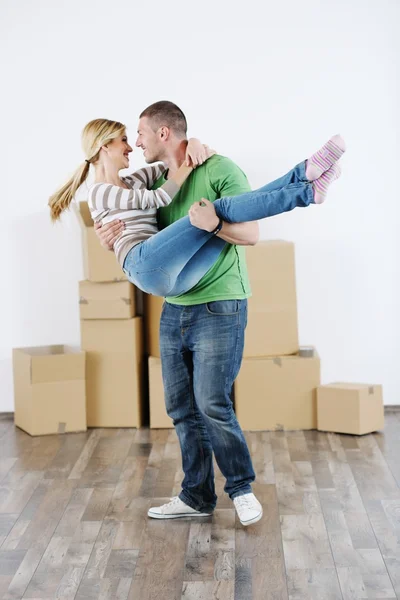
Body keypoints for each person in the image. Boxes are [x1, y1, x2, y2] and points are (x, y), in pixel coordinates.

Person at [80, 102, 346, 527]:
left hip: (219, 305)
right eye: (126, 139)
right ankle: (196, 495)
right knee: (181, 407)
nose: (134, 143)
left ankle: (240, 489)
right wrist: (107, 235)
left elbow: (252, 234)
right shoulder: (152, 179)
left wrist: (211, 222)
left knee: (212, 404)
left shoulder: (218, 167)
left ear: (163, 134)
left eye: (140, 135)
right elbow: (141, 206)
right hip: (174, 302)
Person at [49, 117, 345, 301]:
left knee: (218, 223)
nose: (131, 146)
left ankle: (308, 182)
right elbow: (160, 197)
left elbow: (170, 166)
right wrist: (190, 160)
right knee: (215, 210)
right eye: (125, 139)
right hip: (142, 263)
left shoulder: (133, 180)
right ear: (104, 147)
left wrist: (194, 143)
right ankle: (305, 184)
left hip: (173, 281)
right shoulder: (100, 193)